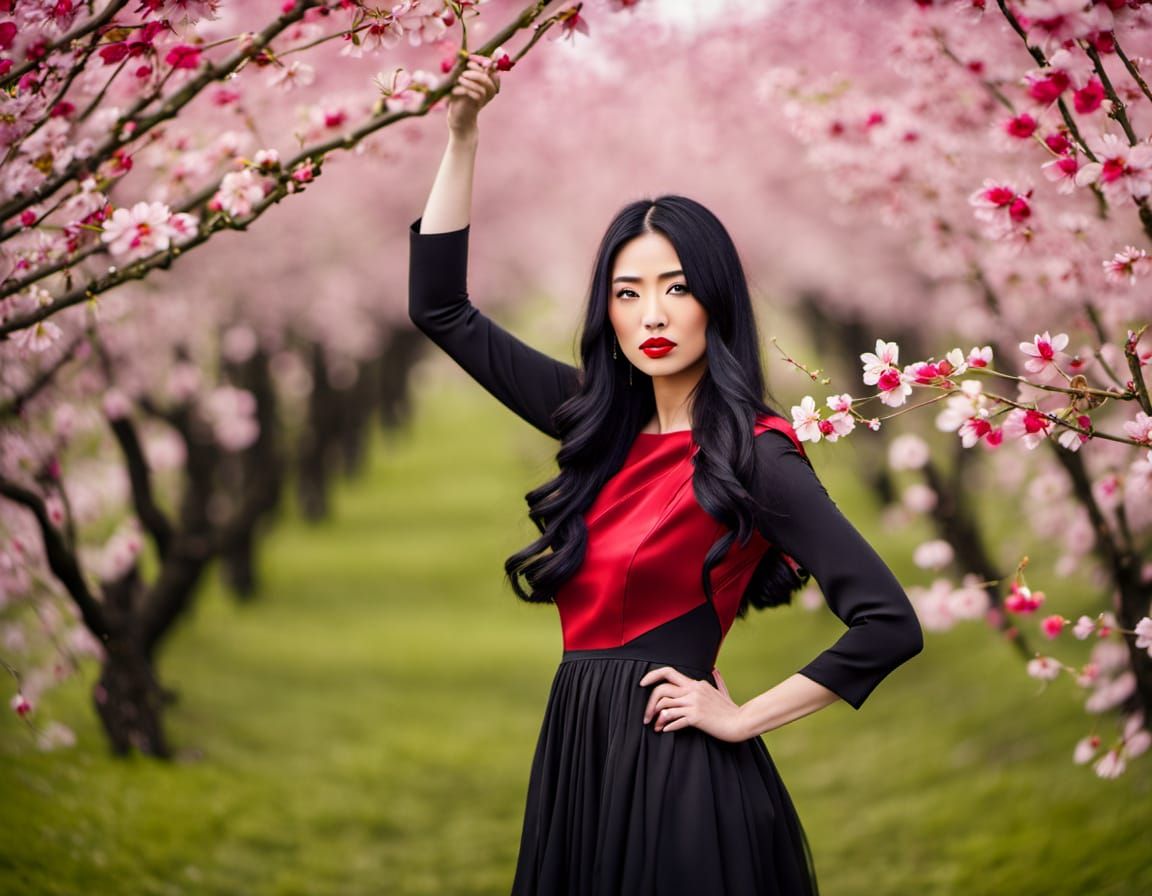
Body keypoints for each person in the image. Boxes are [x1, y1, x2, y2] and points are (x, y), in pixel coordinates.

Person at [407, 55, 925, 896]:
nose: (651, 314)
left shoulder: (753, 452)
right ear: (606, 313)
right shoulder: (595, 421)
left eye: (676, 289)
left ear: (715, 301)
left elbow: (888, 622)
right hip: (580, 755)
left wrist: (744, 716)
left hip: (682, 774)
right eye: (628, 292)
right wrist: (463, 135)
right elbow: (440, 309)